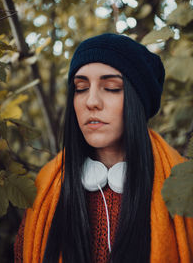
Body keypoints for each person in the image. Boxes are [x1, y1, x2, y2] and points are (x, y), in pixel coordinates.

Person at [14, 33, 193, 263]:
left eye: (110, 87)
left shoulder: (183, 186)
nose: (91, 101)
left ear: (137, 102)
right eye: (80, 88)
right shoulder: (44, 188)